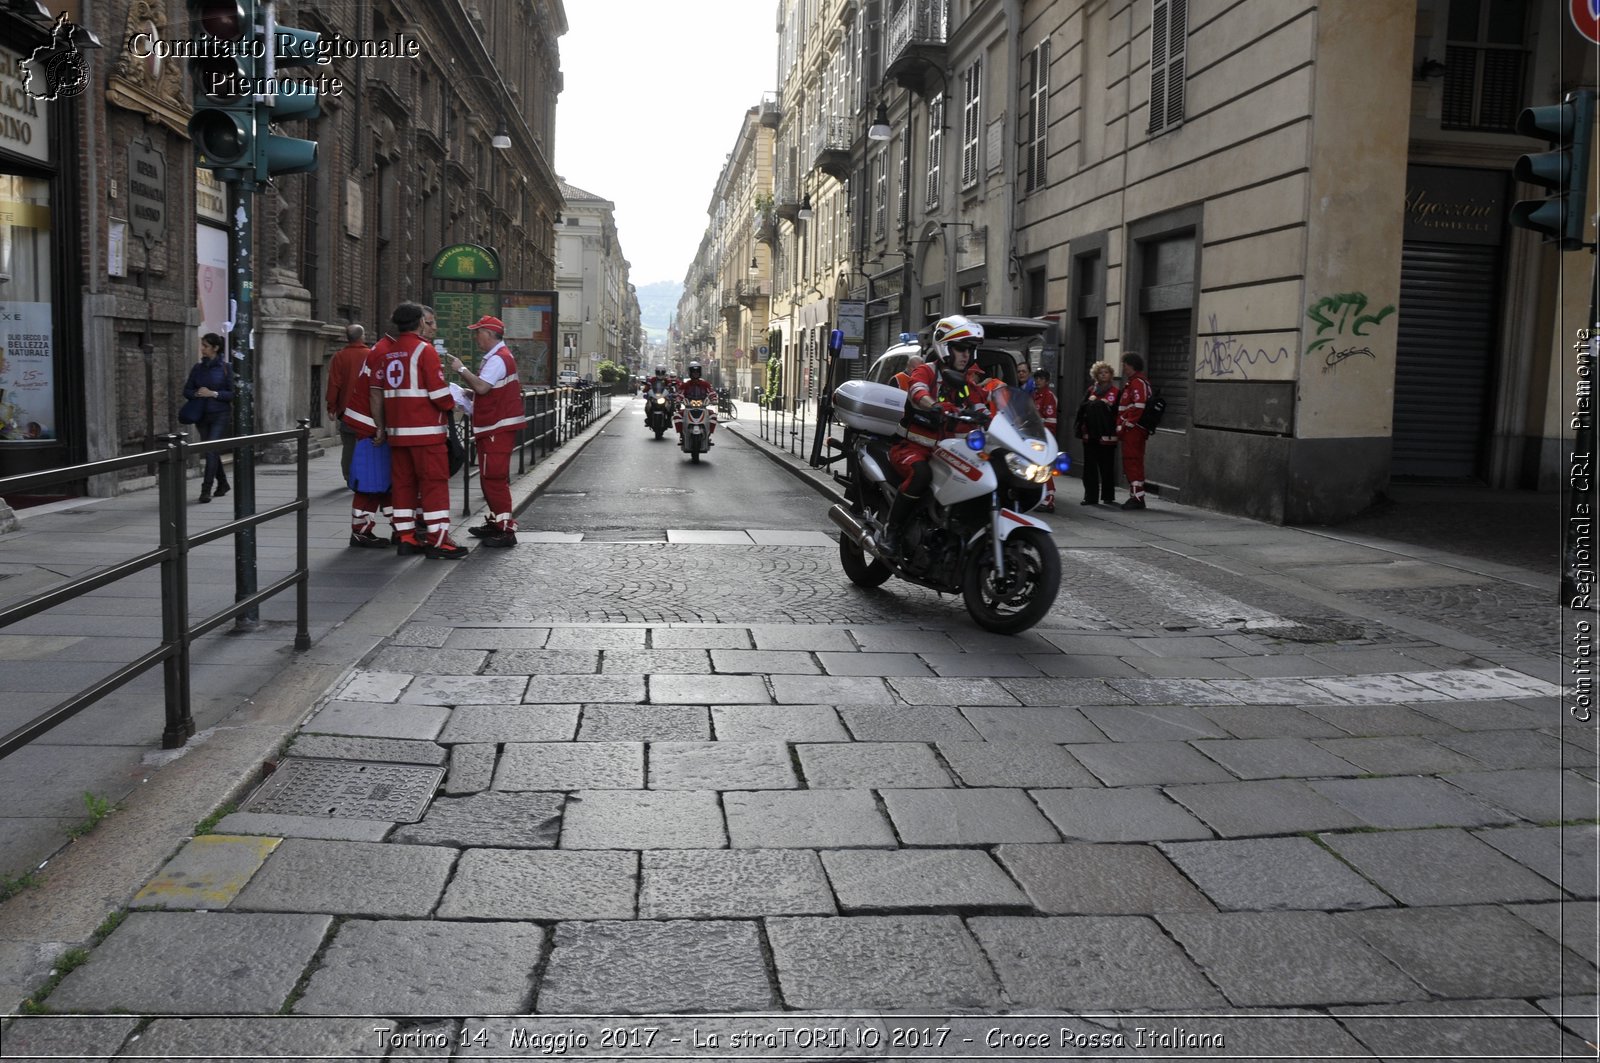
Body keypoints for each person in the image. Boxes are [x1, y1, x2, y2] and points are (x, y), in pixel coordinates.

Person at [367, 302, 468, 559]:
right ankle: (439, 540)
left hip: (398, 433)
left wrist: (381, 426)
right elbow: (437, 393)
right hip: (426, 433)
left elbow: (376, 392)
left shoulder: (388, 352)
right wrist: (453, 402)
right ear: (421, 322)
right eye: (429, 322)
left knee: (403, 486)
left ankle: (406, 538)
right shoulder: (425, 350)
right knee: (434, 485)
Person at [880, 315, 989, 553]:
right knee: (921, 475)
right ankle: (892, 531)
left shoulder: (967, 385)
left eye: (969, 350)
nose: (966, 355)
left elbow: (981, 407)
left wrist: (992, 419)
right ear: (944, 346)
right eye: (960, 348)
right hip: (912, 448)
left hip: (948, 452)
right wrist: (933, 405)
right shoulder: (926, 371)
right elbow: (917, 391)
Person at [449, 315, 525, 548]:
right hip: (494, 425)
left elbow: (482, 387)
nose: (475, 337)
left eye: (478, 332)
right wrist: (467, 393)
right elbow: (489, 390)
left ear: (490, 334)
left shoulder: (498, 359)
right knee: (489, 476)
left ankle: (505, 530)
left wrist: (460, 368)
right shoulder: (497, 357)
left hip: (496, 426)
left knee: (493, 478)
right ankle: (495, 522)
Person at [336, 336, 394, 549]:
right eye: (429, 322)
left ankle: (399, 526)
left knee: (385, 481)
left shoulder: (385, 348)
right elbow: (375, 393)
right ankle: (361, 530)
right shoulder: (386, 352)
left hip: (372, 423)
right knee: (373, 481)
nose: (432, 327)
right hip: (371, 425)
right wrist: (380, 426)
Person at [183, 332, 232, 504]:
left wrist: (214, 393)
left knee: (211, 449)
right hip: (201, 415)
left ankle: (206, 489)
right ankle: (224, 483)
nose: (202, 349)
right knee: (211, 451)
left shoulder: (226, 368)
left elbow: (232, 393)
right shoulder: (197, 368)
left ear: (215, 348)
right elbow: (186, 390)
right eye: (202, 345)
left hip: (220, 414)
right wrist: (197, 393)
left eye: (205, 346)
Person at [325, 324, 372, 484]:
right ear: (362, 336)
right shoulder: (370, 355)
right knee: (368, 444)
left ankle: (348, 475)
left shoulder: (339, 356)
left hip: (347, 410)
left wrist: (331, 407)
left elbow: (334, 383)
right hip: (368, 411)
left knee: (349, 445)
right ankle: (365, 474)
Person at [1074, 360, 1120, 507]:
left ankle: (1108, 496)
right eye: (1100, 372)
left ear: (1111, 375)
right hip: (1090, 435)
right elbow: (1081, 410)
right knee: (1089, 468)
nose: (1103, 375)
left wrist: (1106, 405)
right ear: (1096, 375)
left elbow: (1118, 412)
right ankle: (1090, 497)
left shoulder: (1116, 392)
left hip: (1107, 436)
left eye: (1106, 372)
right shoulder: (1090, 391)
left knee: (1107, 467)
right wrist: (1090, 402)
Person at [1116, 351, 1152, 510]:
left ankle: (1137, 497)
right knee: (1131, 461)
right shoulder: (1133, 382)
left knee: (1132, 461)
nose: (1122, 367)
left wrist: (1127, 424)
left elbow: (1139, 406)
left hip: (1134, 430)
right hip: (1132, 430)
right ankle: (1136, 494)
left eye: (1124, 364)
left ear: (1130, 365)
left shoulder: (1137, 383)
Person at [1030, 367, 1060, 512]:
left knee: (1044, 467)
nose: (1038, 381)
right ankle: (1041, 496)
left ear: (1047, 381)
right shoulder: (1034, 395)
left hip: (1044, 437)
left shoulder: (1048, 396)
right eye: (1036, 378)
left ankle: (1049, 498)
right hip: (1034, 437)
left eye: (1041, 378)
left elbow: (1051, 421)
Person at [675, 361, 717, 445]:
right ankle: (681, 435)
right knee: (677, 416)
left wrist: (714, 399)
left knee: (713, 416)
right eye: (693, 372)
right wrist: (678, 400)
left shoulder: (705, 384)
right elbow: (680, 394)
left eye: (697, 372)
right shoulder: (685, 385)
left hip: (703, 407)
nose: (695, 374)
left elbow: (711, 392)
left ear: (700, 372)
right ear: (690, 373)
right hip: (688, 408)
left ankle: (708, 435)